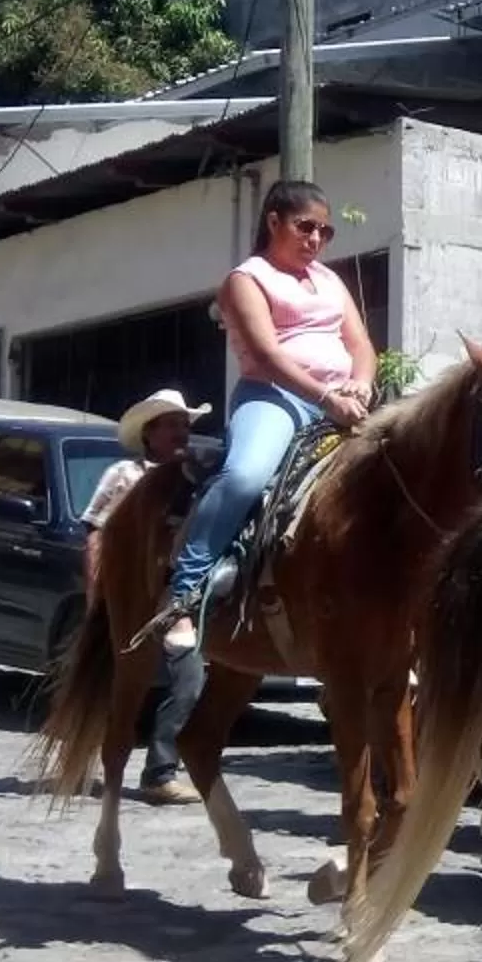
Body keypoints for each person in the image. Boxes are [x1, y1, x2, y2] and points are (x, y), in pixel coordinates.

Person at [162, 180, 378, 653]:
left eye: (325, 231)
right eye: (305, 227)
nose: (316, 239)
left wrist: (361, 381)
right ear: (274, 221)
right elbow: (267, 354)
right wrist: (327, 397)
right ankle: (183, 594)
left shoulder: (329, 280)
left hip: (344, 400)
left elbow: (361, 344)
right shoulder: (247, 279)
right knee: (246, 476)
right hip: (274, 397)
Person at [83, 389, 209, 804]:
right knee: (114, 683)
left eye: (184, 424)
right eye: (171, 425)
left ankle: (160, 771)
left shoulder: (195, 479)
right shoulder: (124, 474)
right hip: (130, 596)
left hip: (174, 595)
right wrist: (97, 592)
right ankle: (93, 751)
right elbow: (96, 533)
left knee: (189, 678)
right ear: (149, 433)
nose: (181, 432)